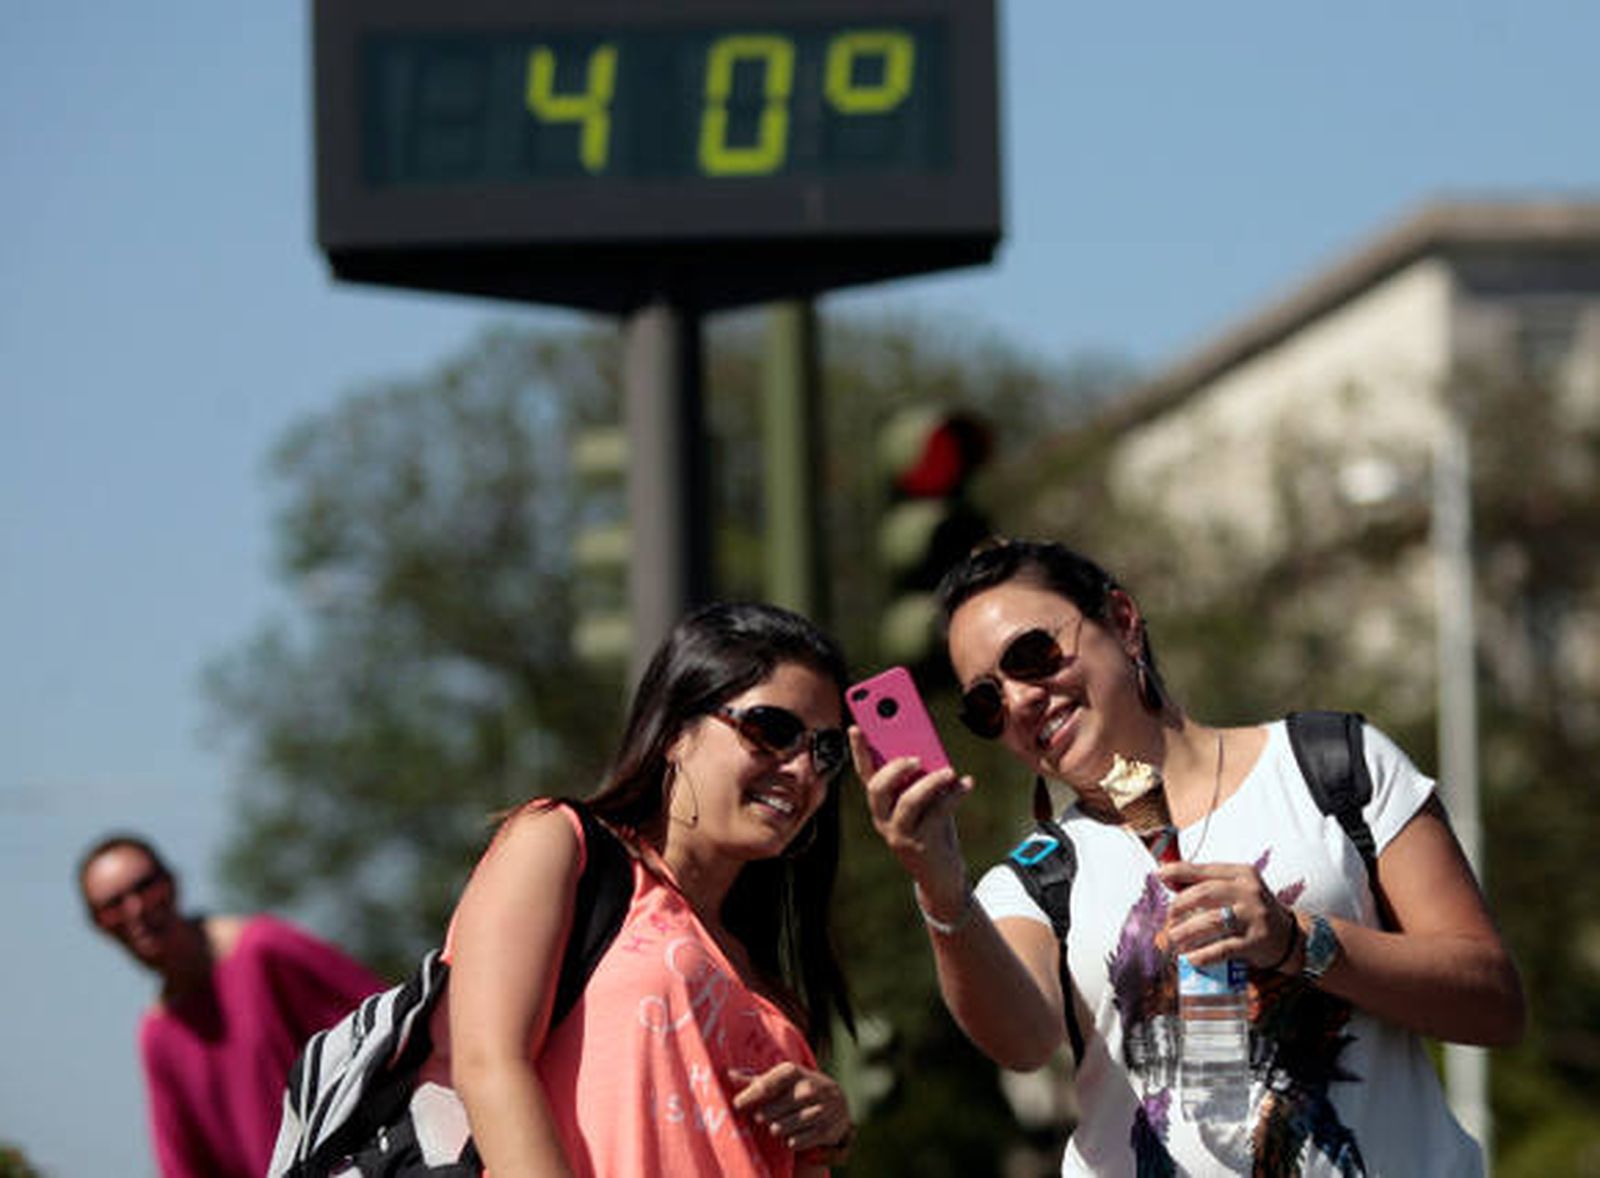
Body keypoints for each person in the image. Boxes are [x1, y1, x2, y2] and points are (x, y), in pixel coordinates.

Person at [855, 538, 1526, 1176]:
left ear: (1121, 620)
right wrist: (939, 885)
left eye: (1034, 654)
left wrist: (1299, 940)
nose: (1022, 699)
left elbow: (1494, 1003)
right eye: (986, 701)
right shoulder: (1036, 881)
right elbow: (1023, 1042)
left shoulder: (1330, 763)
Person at [421, 601, 857, 1176]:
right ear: (676, 731)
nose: (803, 771)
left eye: (826, 751)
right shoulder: (561, 844)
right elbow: (488, 1065)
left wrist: (826, 1132)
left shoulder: (770, 989)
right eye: (773, 730)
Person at [78, 832, 387, 1178]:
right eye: (112, 906)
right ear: (99, 926)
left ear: (173, 883)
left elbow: (396, 1030)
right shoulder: (158, 1036)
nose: (136, 909)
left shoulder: (263, 949)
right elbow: (184, 1166)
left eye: (145, 886)